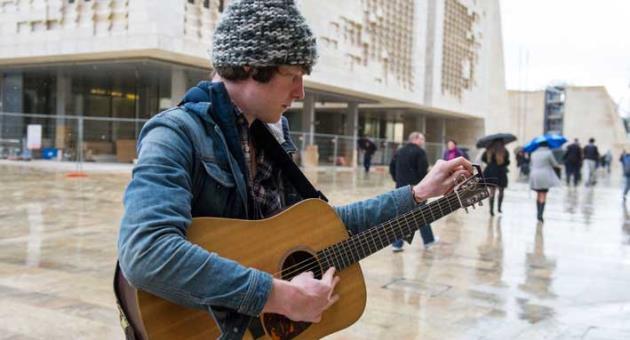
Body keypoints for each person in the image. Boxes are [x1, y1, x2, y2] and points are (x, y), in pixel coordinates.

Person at [116, 1, 474, 338]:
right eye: (294, 76)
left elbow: (323, 227)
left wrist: (418, 194)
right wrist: (276, 296)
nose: (301, 92)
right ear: (251, 68)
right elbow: (146, 251)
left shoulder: (271, 138)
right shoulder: (176, 133)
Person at [389, 132, 438, 252]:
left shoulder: (399, 151)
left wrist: (397, 180)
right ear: (416, 139)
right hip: (416, 188)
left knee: (401, 216)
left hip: (400, 188)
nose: (423, 141)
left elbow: (391, 167)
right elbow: (423, 172)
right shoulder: (420, 152)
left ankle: (397, 244)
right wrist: (424, 186)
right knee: (421, 215)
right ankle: (428, 241)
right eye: (422, 139)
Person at [529, 141, 561, 222]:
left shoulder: (533, 153)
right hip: (544, 175)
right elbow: (554, 164)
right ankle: (540, 215)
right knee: (543, 195)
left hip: (535, 175)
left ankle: (538, 213)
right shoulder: (548, 153)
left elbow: (531, 164)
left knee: (538, 194)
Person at [481, 140, 510, 216]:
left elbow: (483, 159)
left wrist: (490, 163)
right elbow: (507, 162)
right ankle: (499, 208)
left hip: (490, 171)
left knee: (492, 191)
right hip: (501, 171)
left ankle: (491, 210)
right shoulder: (504, 151)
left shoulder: (488, 150)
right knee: (501, 190)